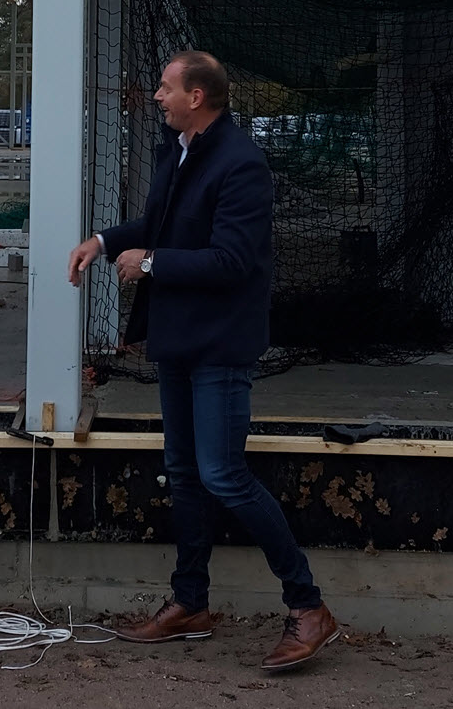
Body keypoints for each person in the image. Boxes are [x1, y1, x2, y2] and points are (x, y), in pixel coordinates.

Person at [67, 51, 338, 671]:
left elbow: (232, 260)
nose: (156, 96)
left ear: (196, 96)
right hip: (180, 340)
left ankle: (308, 606)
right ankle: (190, 603)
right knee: (185, 474)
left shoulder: (241, 163)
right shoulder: (180, 148)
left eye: (165, 88)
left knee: (223, 476)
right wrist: (106, 240)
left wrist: (152, 263)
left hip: (220, 344)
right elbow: (163, 223)